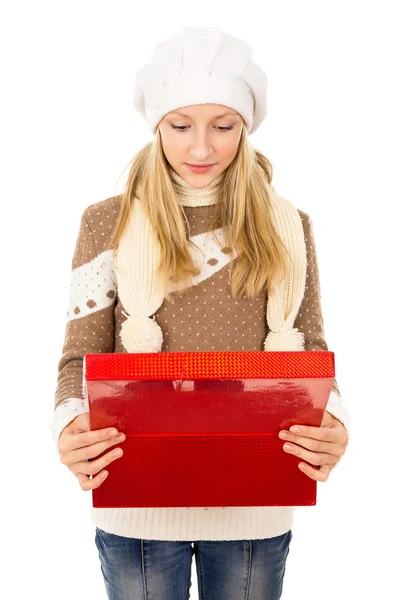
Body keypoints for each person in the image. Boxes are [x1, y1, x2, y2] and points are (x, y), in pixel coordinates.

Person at [52, 26, 350, 600]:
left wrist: (332, 422)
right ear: (156, 124)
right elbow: (77, 360)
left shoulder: (292, 226)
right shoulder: (105, 222)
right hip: (136, 503)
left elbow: (310, 351)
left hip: (255, 503)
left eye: (224, 126)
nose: (201, 148)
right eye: (180, 125)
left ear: (248, 124)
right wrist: (70, 426)